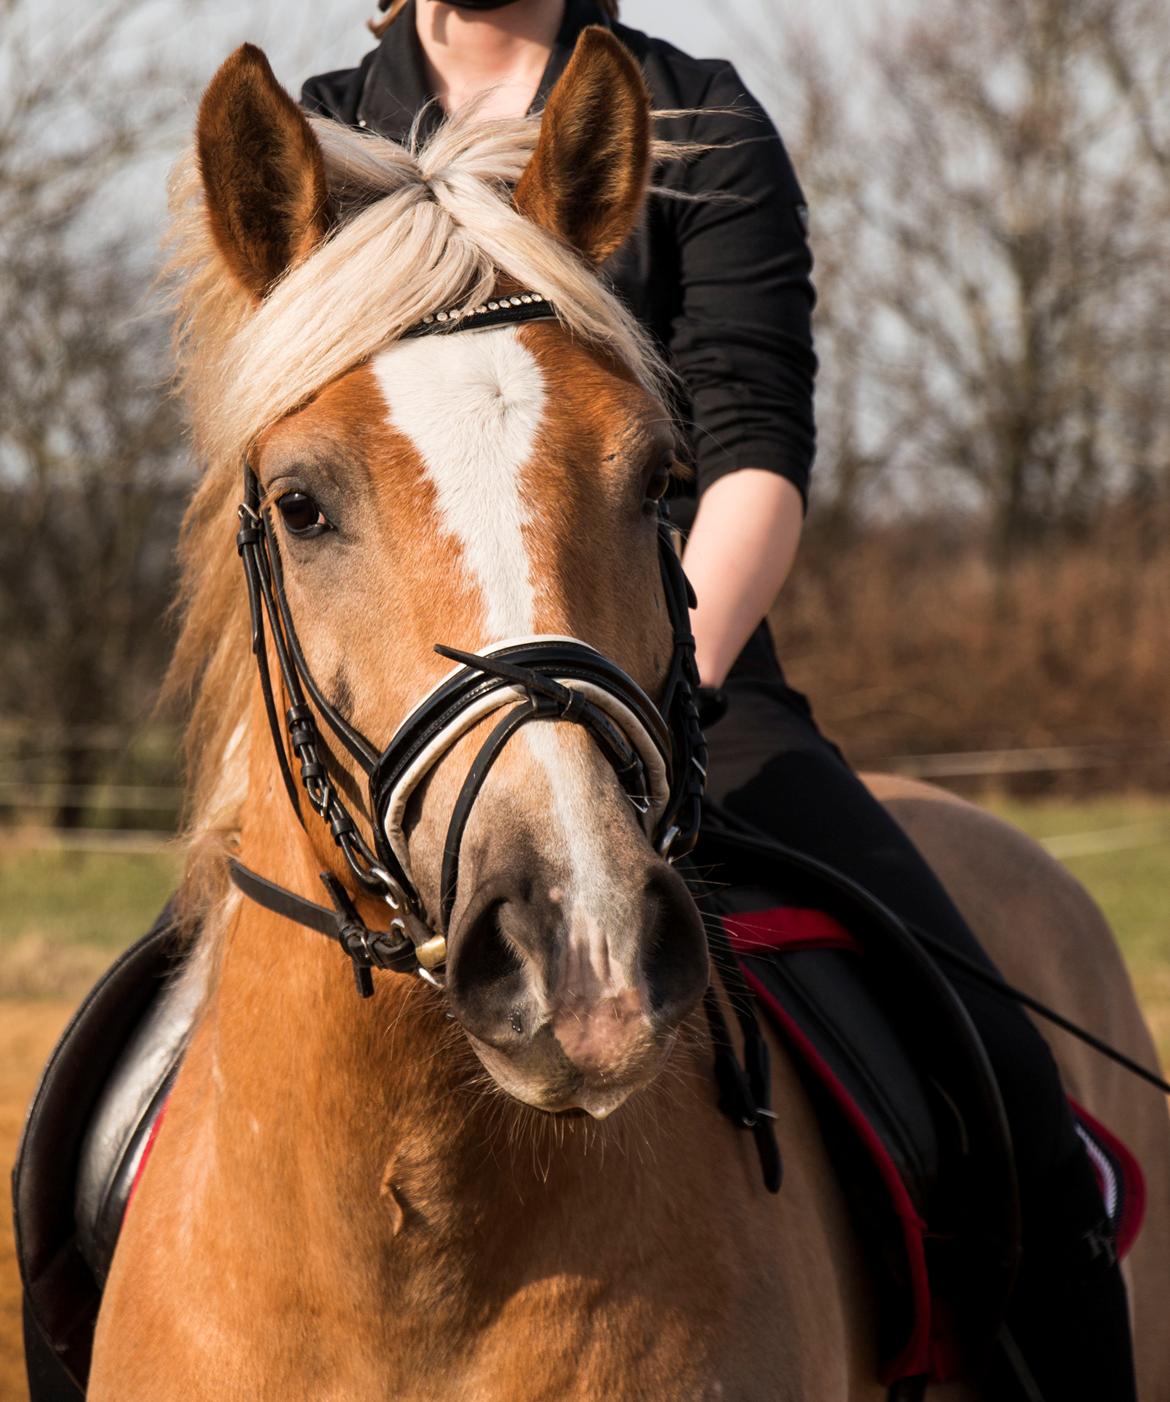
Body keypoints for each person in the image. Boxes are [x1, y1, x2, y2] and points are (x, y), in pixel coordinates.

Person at [302, 3, 1137, 1396]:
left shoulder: (692, 119)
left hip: (676, 678)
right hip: (381, 725)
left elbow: (751, 443)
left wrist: (633, 699)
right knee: (100, 1119)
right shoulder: (323, 135)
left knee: (999, 1087)